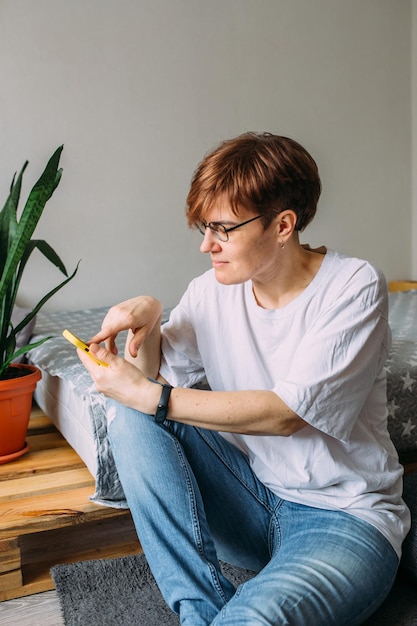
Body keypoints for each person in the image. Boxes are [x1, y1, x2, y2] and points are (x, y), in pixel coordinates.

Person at [78, 132, 411, 626]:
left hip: (344, 518)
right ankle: (197, 611)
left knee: (256, 618)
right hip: (253, 498)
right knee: (129, 411)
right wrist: (149, 316)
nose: (205, 245)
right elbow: (149, 389)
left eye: (223, 229)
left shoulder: (354, 285)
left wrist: (147, 392)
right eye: (203, 227)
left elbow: (286, 416)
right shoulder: (212, 290)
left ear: (283, 225)